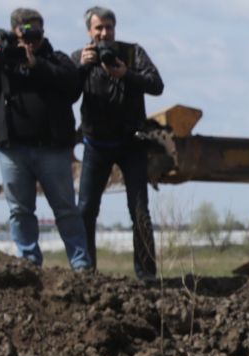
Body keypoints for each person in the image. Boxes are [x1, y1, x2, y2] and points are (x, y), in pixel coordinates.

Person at [0, 8, 91, 271]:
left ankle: (81, 265)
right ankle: (28, 263)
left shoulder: (56, 59)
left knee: (66, 210)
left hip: (53, 150)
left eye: (36, 33)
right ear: (14, 34)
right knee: (20, 211)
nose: (30, 40)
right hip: (13, 150)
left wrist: (37, 65)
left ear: (43, 32)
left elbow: (72, 87)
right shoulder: (3, 61)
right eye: (24, 34)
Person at [75, 6, 162, 282]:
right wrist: (80, 68)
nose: (104, 33)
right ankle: (86, 271)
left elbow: (157, 85)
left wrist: (126, 74)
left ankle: (146, 273)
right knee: (86, 209)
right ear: (90, 31)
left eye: (108, 27)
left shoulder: (133, 53)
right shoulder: (80, 57)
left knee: (139, 210)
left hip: (131, 143)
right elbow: (63, 91)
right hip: (96, 145)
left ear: (115, 29)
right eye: (98, 28)